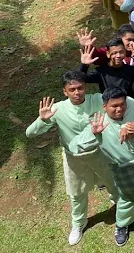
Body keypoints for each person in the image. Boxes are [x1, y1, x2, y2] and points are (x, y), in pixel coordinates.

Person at [25, 71, 122, 246]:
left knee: (113, 183)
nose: (77, 93)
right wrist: (43, 120)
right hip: (74, 159)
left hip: (100, 153)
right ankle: (78, 223)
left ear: (86, 88)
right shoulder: (57, 109)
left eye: (80, 88)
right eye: (72, 89)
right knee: (76, 193)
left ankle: (121, 210)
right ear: (65, 91)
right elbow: (30, 133)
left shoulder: (98, 100)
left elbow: (120, 105)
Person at [70, 87, 134, 247]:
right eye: (114, 106)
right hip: (122, 170)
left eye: (122, 104)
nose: (119, 109)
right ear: (104, 106)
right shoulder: (98, 122)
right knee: (126, 199)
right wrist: (93, 133)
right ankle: (122, 225)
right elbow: (74, 147)